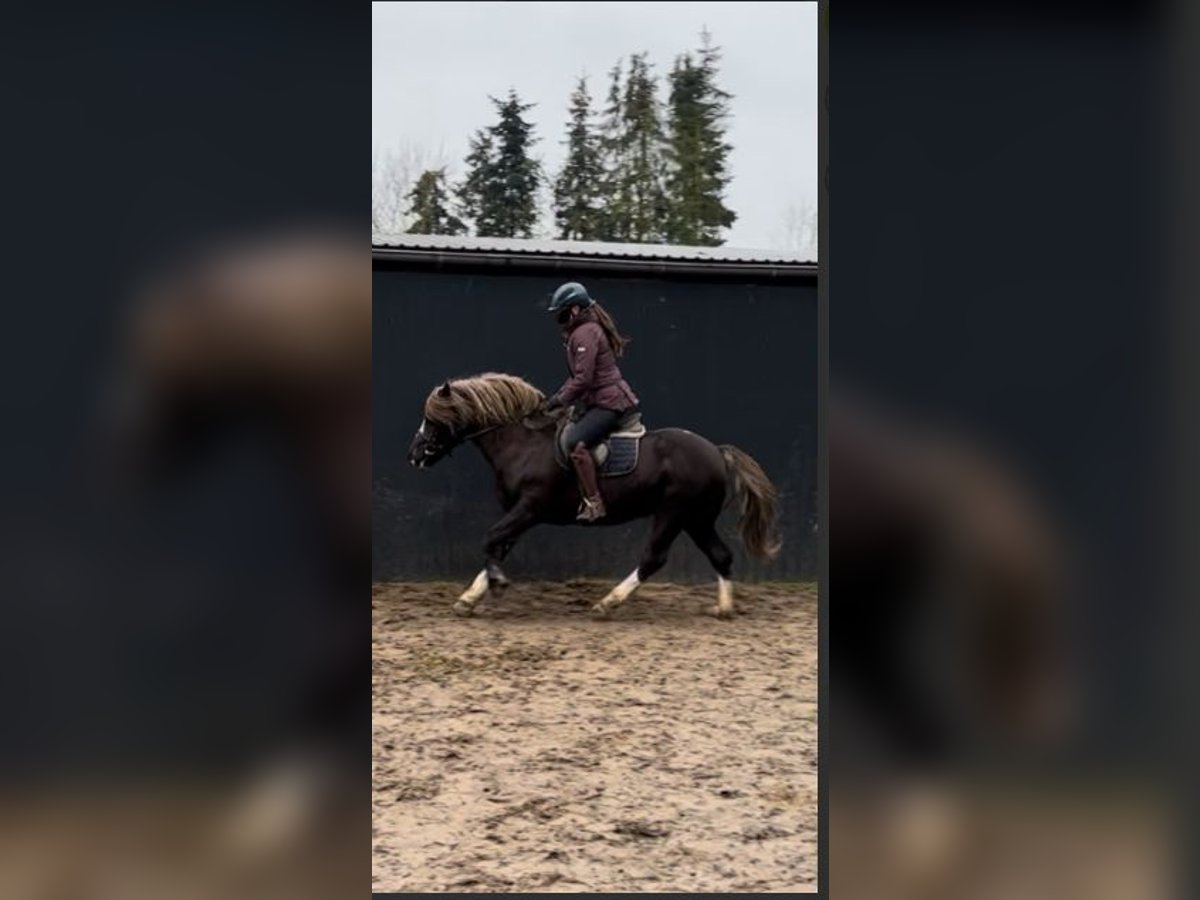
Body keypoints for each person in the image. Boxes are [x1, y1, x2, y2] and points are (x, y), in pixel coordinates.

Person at [543, 281, 640, 522]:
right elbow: (575, 378)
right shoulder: (581, 331)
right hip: (597, 401)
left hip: (610, 402)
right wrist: (555, 399)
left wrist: (560, 400)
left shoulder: (585, 333)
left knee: (576, 444)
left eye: (562, 311)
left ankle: (595, 503)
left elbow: (584, 380)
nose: (559, 316)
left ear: (574, 309)